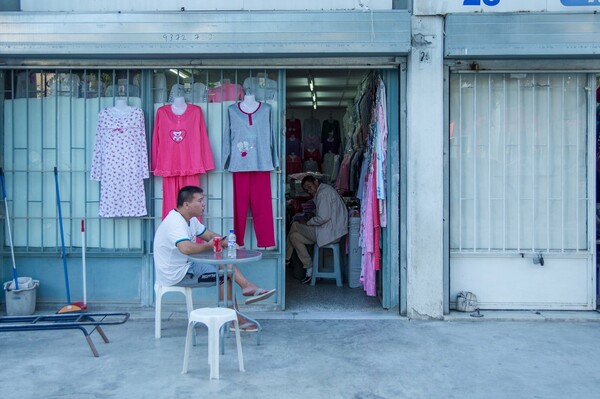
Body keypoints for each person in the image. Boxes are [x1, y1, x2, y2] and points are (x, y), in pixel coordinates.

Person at [153, 185, 276, 331]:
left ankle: (245, 289)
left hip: (188, 267)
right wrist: (209, 246)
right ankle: (234, 318)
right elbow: (185, 248)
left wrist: (226, 242)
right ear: (187, 205)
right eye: (200, 201)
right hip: (176, 274)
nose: (203, 204)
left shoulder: (190, 220)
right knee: (226, 275)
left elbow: (210, 236)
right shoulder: (175, 222)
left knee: (224, 265)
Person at [285, 175, 348, 284]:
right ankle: (309, 266)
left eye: (309, 186)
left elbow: (323, 218)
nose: (309, 190)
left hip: (329, 233)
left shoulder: (323, 193)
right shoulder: (324, 191)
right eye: (306, 189)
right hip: (331, 232)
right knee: (293, 236)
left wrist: (308, 222)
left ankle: (286, 258)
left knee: (295, 225)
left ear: (316, 182)